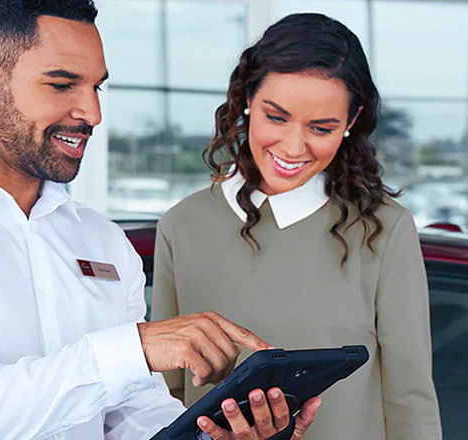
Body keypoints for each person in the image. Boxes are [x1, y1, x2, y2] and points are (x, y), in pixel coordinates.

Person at [0, 2, 319, 439]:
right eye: (62, 84)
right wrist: (133, 349)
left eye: (97, 86)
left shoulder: (104, 242)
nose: (92, 112)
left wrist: (218, 436)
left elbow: (129, 416)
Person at [151, 12, 442, 440]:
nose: (292, 147)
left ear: (351, 121)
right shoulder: (183, 226)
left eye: (320, 128)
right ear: (248, 98)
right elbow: (164, 398)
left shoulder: (384, 229)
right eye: (276, 117)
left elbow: (410, 399)